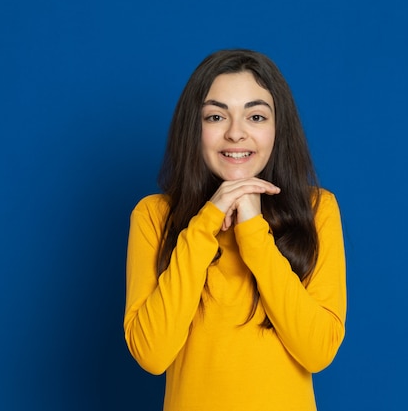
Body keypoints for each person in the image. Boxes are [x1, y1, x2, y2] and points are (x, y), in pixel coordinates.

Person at [124, 49, 346, 411]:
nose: (236, 133)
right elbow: (151, 353)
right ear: (194, 128)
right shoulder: (154, 216)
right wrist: (206, 222)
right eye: (216, 116)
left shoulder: (316, 210)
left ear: (278, 129)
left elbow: (318, 352)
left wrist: (254, 233)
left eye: (256, 116)